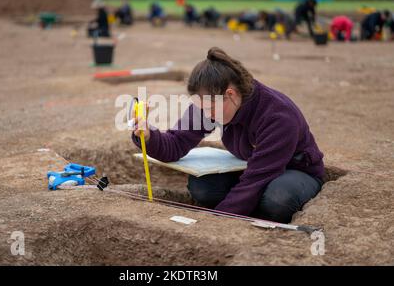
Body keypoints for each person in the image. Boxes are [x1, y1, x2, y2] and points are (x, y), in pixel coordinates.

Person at [131, 47, 324, 223]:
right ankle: (248, 209)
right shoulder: (208, 102)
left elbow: (257, 179)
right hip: (251, 166)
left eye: (209, 109)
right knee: (203, 188)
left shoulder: (278, 116)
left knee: (278, 200)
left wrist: (216, 221)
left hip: (296, 171)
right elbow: (175, 144)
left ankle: (255, 212)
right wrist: (148, 136)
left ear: (230, 94)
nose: (206, 115)